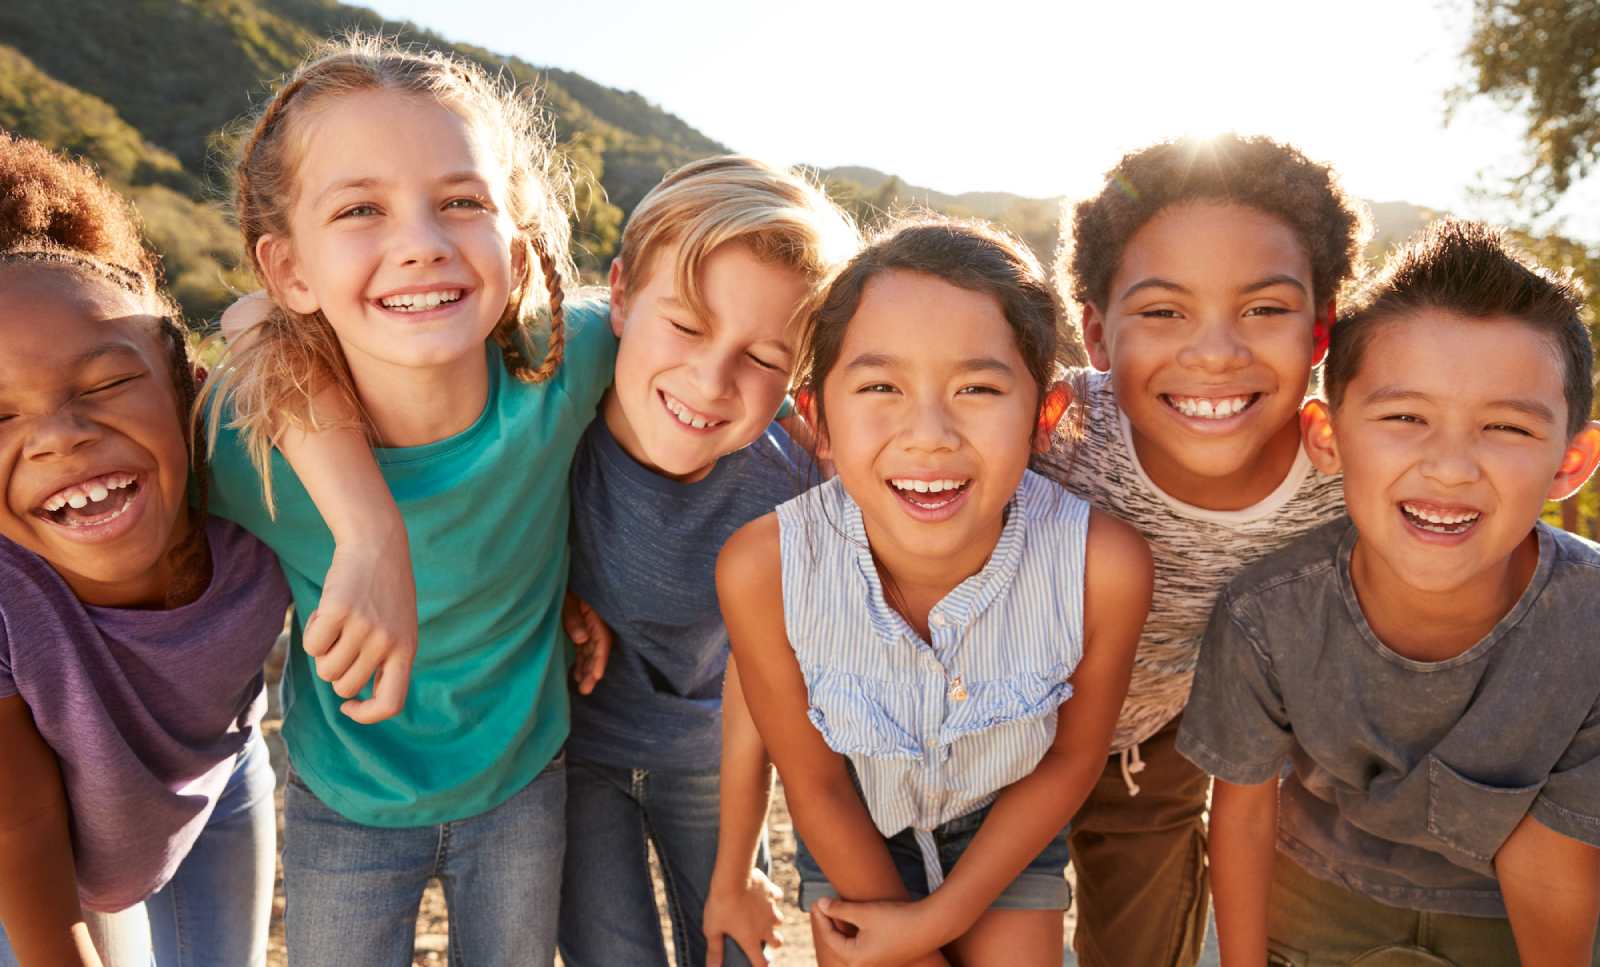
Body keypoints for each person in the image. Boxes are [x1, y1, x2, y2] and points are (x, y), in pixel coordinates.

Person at [200, 35, 612, 965]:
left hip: (522, 776)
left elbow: (712, 353)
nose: (422, 245)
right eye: (360, 209)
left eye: (463, 201)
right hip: (346, 797)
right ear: (290, 268)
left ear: (517, 236)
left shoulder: (566, 361)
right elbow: (242, 325)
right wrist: (366, 523)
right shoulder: (242, 441)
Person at [719, 217, 1151, 966]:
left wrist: (937, 920)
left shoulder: (1100, 566)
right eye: (881, 385)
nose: (929, 433)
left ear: (1042, 417)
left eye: (978, 387)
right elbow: (815, 781)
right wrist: (907, 944)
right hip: (854, 822)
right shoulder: (763, 567)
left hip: (1007, 822)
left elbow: (1071, 760)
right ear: (819, 417)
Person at [1181, 218, 1600, 967]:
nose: (1449, 467)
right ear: (1329, 436)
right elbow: (1240, 815)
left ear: (1572, 461)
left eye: (1505, 426)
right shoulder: (1269, 613)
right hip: (1313, 902)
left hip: (1508, 917)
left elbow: (1555, 863)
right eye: (1405, 417)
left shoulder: (1590, 624)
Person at [1035, 133, 1365, 967]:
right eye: (1162, 310)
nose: (1215, 351)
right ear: (1098, 335)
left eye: (1263, 308)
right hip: (982, 741)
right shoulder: (1050, 429)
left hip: (1151, 756)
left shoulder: (1347, 477)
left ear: (1320, 331)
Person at [557, 155, 858, 967]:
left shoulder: (788, 485)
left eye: (763, 359)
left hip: (716, 759)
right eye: (687, 325)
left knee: (731, 946)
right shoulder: (552, 422)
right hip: (575, 753)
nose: (711, 377)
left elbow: (761, 692)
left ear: (795, 377)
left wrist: (739, 866)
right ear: (619, 295)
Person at [0, 134, 289, 967]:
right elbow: (20, 828)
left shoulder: (261, 493)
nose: (60, 436)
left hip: (217, 789)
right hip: (40, 849)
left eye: (102, 385)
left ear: (190, 391)